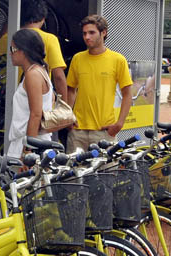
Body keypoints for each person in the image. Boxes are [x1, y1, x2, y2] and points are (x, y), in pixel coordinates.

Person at [65, 15, 132, 153]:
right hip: (77, 131)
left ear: (104, 32)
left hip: (104, 131)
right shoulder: (77, 59)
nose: (87, 37)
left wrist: (119, 123)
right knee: (73, 174)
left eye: (91, 32)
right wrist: (68, 116)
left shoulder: (118, 60)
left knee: (105, 173)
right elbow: (71, 90)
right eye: (84, 33)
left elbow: (127, 94)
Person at [18, 0, 70, 147]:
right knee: (45, 146)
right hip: (43, 103)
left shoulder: (14, 37)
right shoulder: (49, 39)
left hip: (18, 100)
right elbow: (59, 76)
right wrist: (63, 108)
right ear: (43, 18)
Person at [5, 29, 62, 159]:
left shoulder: (33, 74)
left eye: (13, 49)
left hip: (29, 144)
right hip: (36, 141)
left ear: (23, 51)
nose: (10, 53)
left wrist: (28, 151)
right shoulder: (41, 71)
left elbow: (36, 114)